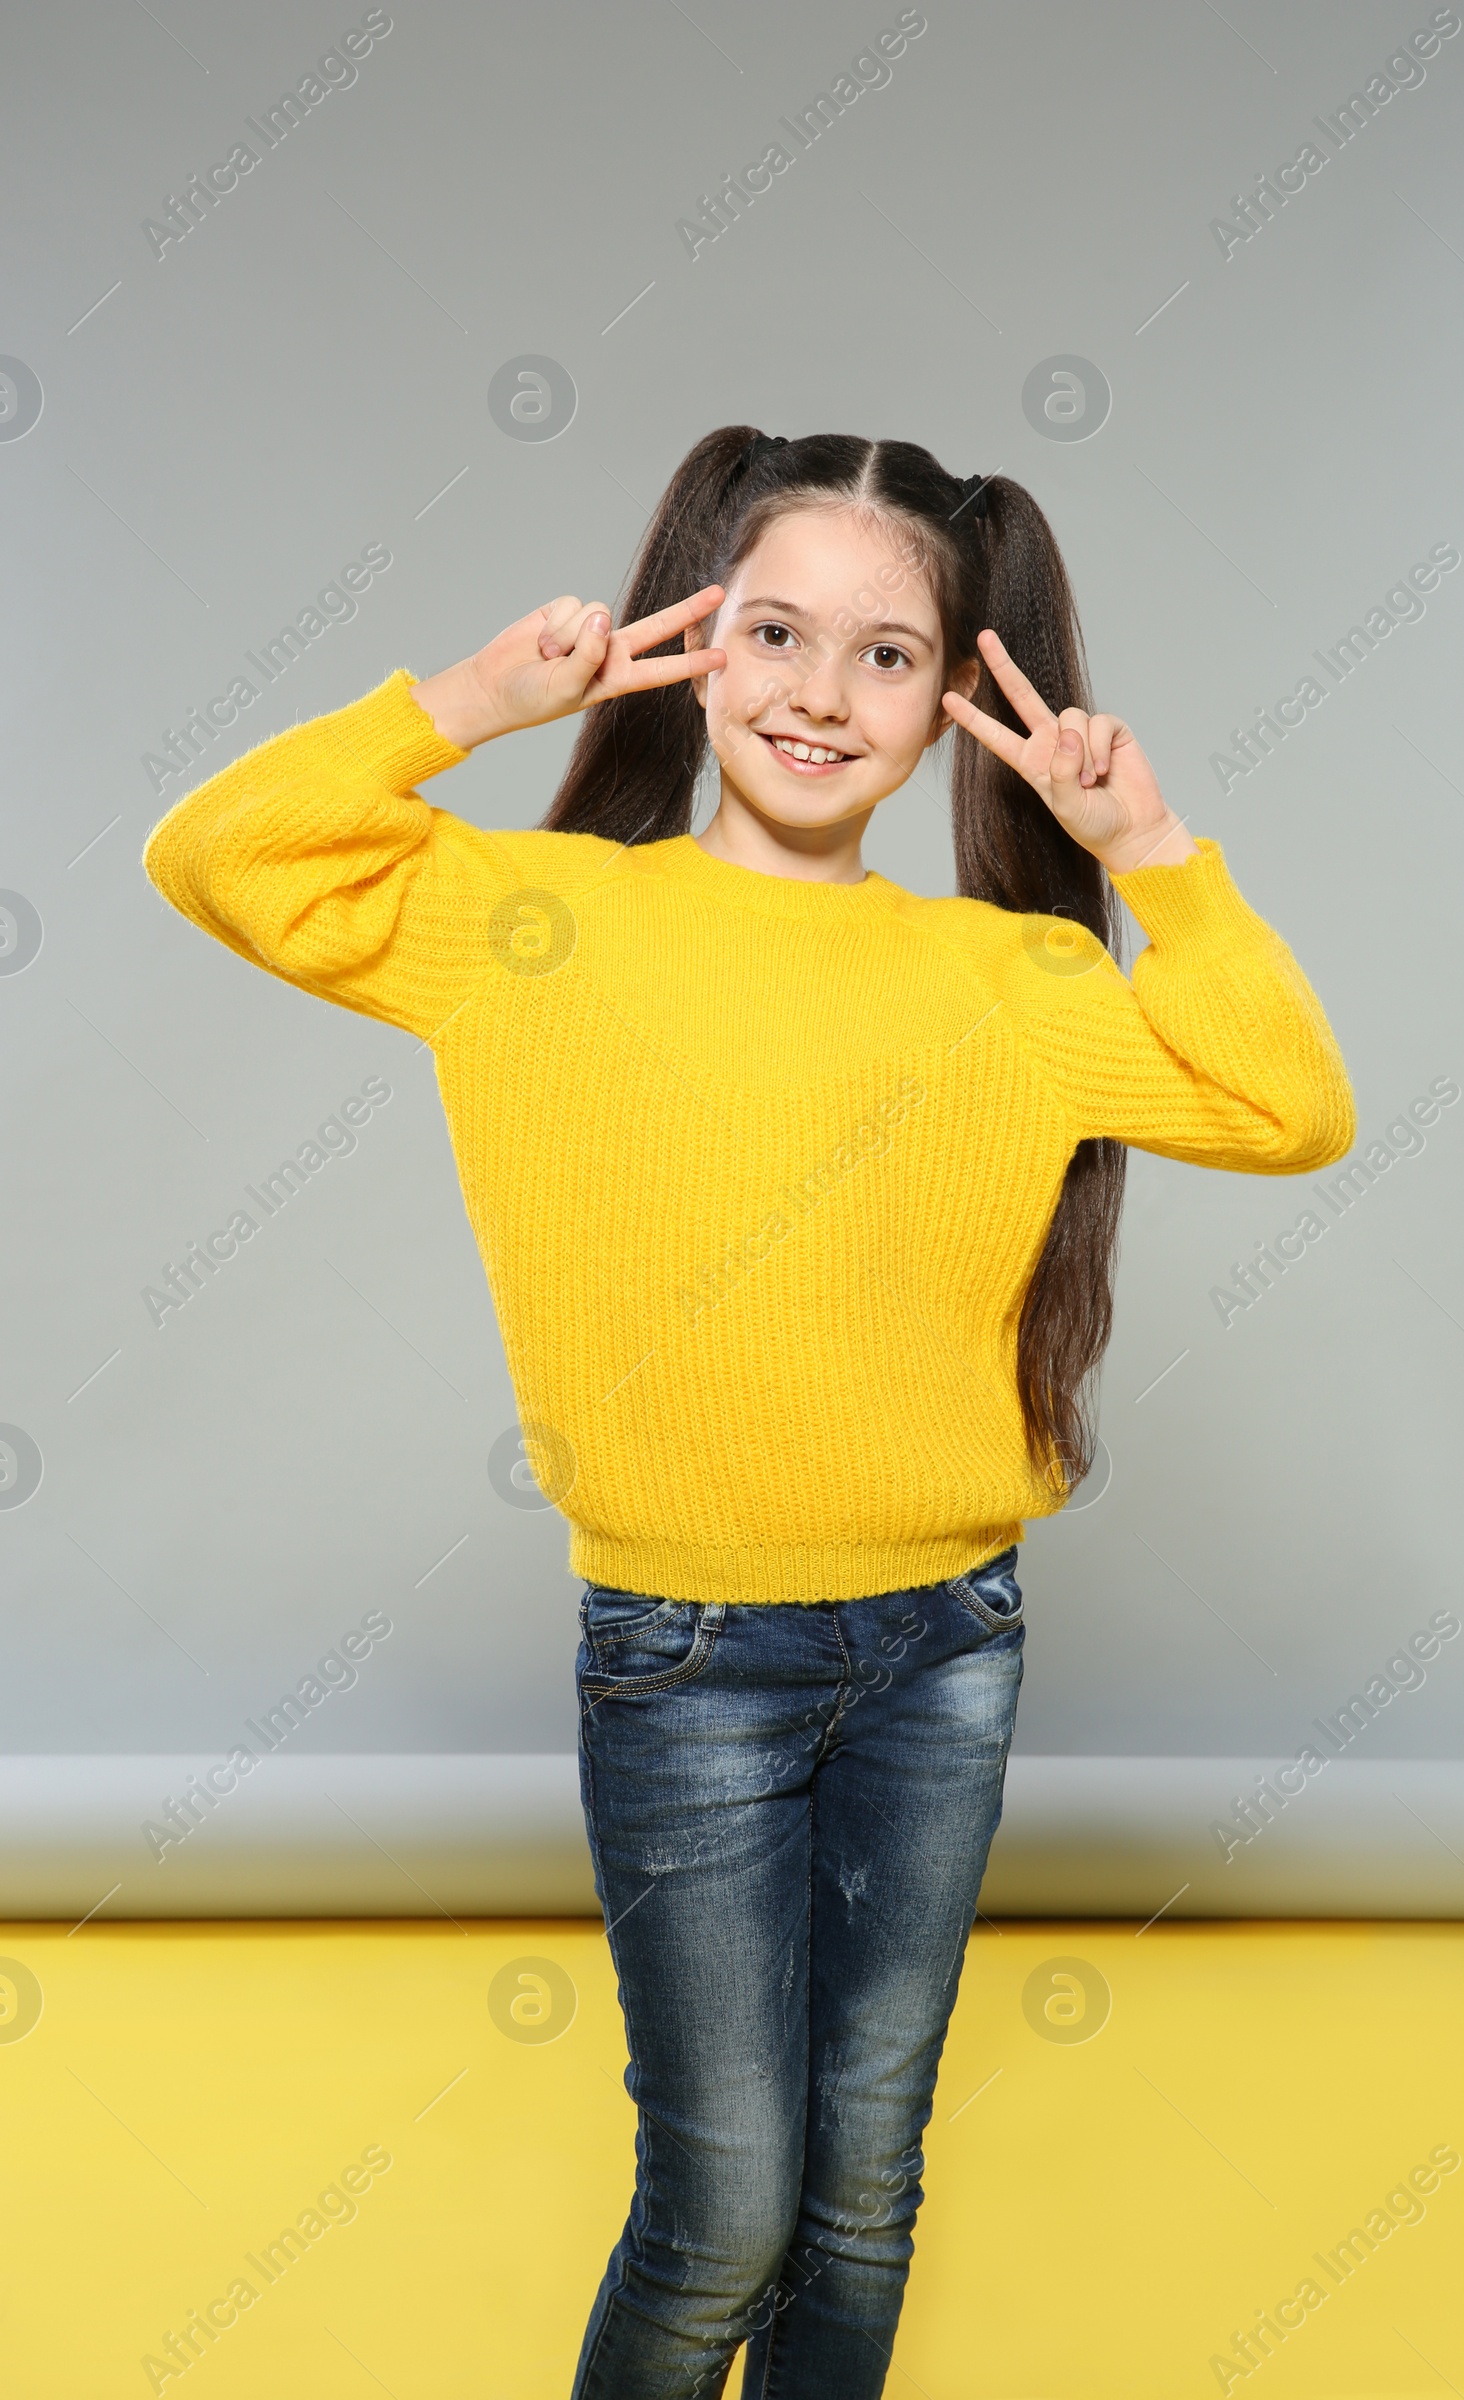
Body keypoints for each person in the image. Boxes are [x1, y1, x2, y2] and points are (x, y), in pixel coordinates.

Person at [143, 425, 1356, 2396]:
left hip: (942, 1648)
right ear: (689, 648)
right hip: (684, 1663)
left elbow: (1289, 1107)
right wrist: (466, 700)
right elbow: (211, 853)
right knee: (722, 2212)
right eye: (773, 631)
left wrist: (1153, 858)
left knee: (862, 2192)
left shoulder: (1009, 976)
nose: (816, 692)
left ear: (957, 700)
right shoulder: (532, 922)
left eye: (887, 657)